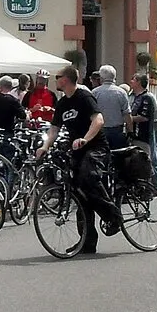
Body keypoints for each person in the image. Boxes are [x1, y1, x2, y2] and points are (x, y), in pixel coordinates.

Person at [49, 64, 119, 253]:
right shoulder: (63, 103)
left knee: (88, 177)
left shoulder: (84, 96)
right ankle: (87, 241)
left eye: (57, 76)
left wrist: (85, 139)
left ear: (66, 79)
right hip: (77, 150)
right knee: (79, 192)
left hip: (96, 147)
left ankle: (113, 216)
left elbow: (99, 120)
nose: (55, 79)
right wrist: (44, 146)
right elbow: (54, 128)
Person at [93, 65, 131, 149]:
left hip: (100, 130)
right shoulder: (121, 92)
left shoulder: (95, 93)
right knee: (118, 156)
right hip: (117, 130)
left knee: (102, 156)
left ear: (101, 77)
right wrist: (130, 131)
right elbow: (127, 114)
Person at [129, 73, 157, 167]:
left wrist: (127, 119)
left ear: (139, 82)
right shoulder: (133, 96)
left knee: (147, 160)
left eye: (133, 79)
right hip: (135, 135)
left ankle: (152, 181)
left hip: (144, 135)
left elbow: (144, 117)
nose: (131, 81)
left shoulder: (147, 97)